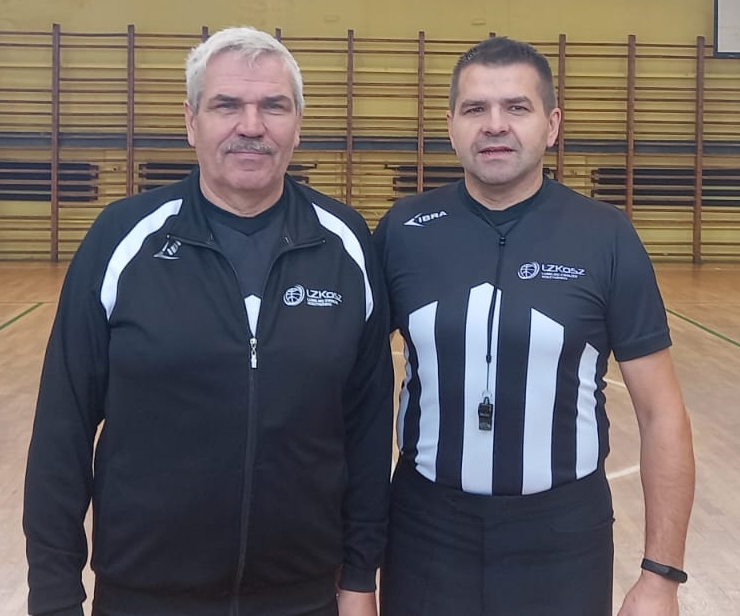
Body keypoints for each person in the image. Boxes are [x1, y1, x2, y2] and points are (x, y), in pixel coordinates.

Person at [24, 26, 393, 616]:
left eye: (273, 106)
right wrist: (53, 595)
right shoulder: (123, 238)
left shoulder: (345, 243)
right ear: (192, 121)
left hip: (303, 596)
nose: (252, 125)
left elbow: (368, 429)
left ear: (298, 124)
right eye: (227, 105)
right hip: (144, 596)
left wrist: (359, 576)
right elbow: (61, 430)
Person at [373, 36, 695, 616]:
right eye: (475, 108)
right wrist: (348, 569)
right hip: (425, 532)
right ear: (451, 127)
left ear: (552, 125)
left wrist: (661, 577)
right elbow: (351, 396)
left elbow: (661, 413)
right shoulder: (403, 230)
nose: (494, 125)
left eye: (516, 107)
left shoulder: (606, 236)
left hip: (563, 539)